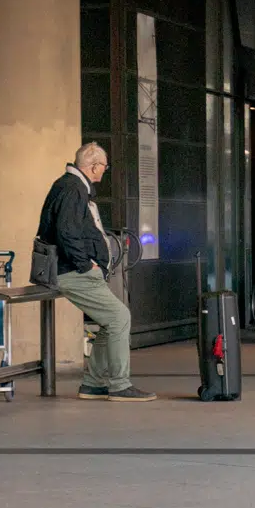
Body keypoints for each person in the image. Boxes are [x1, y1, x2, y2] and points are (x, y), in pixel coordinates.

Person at [37, 143, 155, 402]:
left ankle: (92, 384)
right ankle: (119, 385)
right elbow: (66, 232)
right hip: (72, 271)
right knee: (119, 317)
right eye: (104, 166)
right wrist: (85, 265)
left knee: (111, 322)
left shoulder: (72, 186)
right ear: (93, 167)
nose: (104, 170)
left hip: (72, 269)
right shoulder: (73, 188)